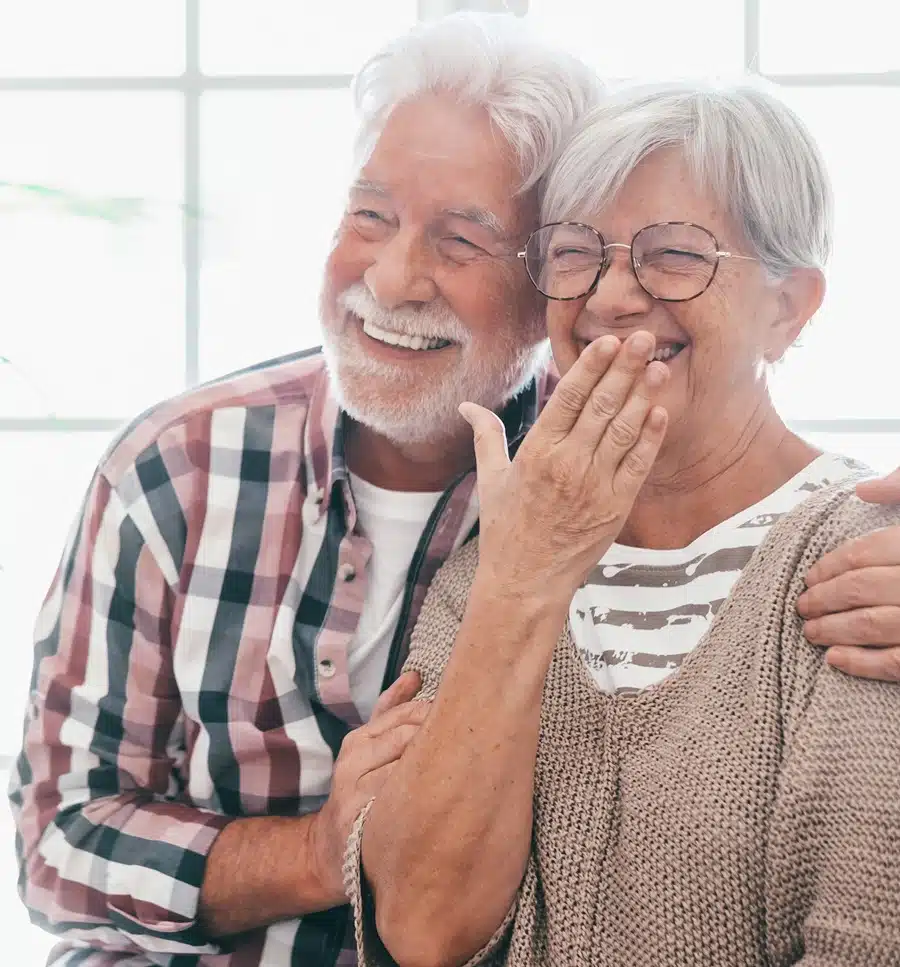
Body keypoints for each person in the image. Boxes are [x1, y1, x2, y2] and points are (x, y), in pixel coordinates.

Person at [8, 16, 900, 967]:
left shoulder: (620, 478)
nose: (392, 278)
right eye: (370, 216)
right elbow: (58, 845)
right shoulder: (184, 466)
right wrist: (317, 851)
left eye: (464, 238)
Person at [348, 79, 900, 967]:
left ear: (787, 307)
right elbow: (422, 926)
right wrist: (521, 582)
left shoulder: (867, 562)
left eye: (675, 256)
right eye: (574, 254)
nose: (608, 297)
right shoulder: (491, 569)